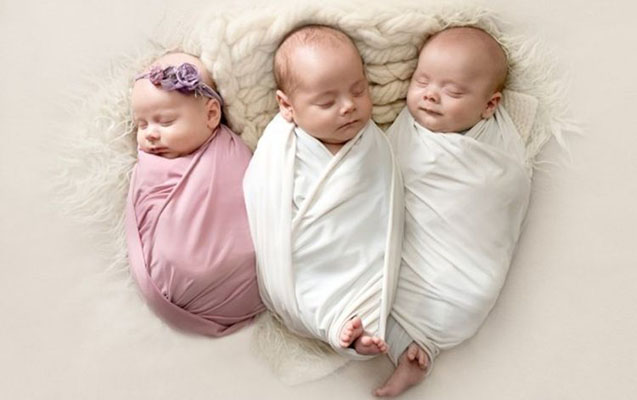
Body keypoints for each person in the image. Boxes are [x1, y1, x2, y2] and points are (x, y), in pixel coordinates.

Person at [376, 27, 532, 396]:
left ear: (489, 106)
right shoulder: (406, 132)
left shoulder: (495, 151)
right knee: (375, 293)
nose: (431, 94)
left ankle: (418, 346)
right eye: (422, 81)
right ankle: (413, 355)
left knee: (391, 301)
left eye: (454, 92)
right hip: (415, 265)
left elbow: (505, 190)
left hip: (466, 282)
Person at [243, 25, 404, 358]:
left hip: (358, 253)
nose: (348, 107)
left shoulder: (372, 144)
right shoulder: (281, 147)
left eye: (359, 90)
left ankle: (357, 327)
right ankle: (338, 326)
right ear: (287, 105)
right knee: (312, 291)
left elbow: (384, 206)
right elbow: (263, 197)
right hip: (304, 257)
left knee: (370, 281)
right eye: (327, 101)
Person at [125, 52, 265, 337]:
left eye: (165, 122)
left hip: (247, 274)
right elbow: (145, 209)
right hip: (174, 285)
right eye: (142, 124)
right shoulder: (151, 166)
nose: (150, 134)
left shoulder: (229, 153)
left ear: (211, 115)